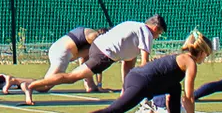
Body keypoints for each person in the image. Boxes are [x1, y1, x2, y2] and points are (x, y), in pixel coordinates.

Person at [56, 31, 212, 113]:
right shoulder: (190, 62)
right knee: (112, 111)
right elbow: (189, 99)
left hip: (139, 78)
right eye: (207, 55)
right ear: (202, 52)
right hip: (141, 82)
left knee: (174, 88)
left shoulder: (181, 58)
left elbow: (174, 95)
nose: (205, 59)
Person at [23, 15, 166, 104]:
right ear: (154, 28)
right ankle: (30, 85)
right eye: (159, 33)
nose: (157, 37)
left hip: (100, 49)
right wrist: (145, 88)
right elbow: (145, 64)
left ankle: (25, 83)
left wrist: (125, 92)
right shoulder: (146, 33)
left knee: (73, 76)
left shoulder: (134, 26)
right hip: (104, 54)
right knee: (72, 77)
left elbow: (128, 64)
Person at [44, 28, 106, 93]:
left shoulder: (89, 34)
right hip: (62, 52)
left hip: (57, 47)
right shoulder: (94, 37)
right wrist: (99, 85)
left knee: (87, 56)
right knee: (45, 86)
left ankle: (90, 85)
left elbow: (85, 60)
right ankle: (31, 84)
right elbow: (98, 62)